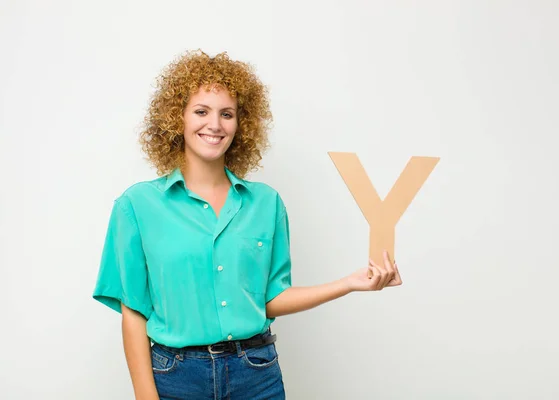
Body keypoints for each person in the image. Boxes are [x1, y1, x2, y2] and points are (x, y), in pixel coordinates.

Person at [92, 49, 402, 400]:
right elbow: (133, 312)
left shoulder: (266, 204)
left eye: (227, 114)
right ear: (176, 118)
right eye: (201, 111)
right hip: (176, 377)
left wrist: (349, 283)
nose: (215, 124)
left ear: (241, 124)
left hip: (256, 374)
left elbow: (271, 299)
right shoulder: (137, 205)